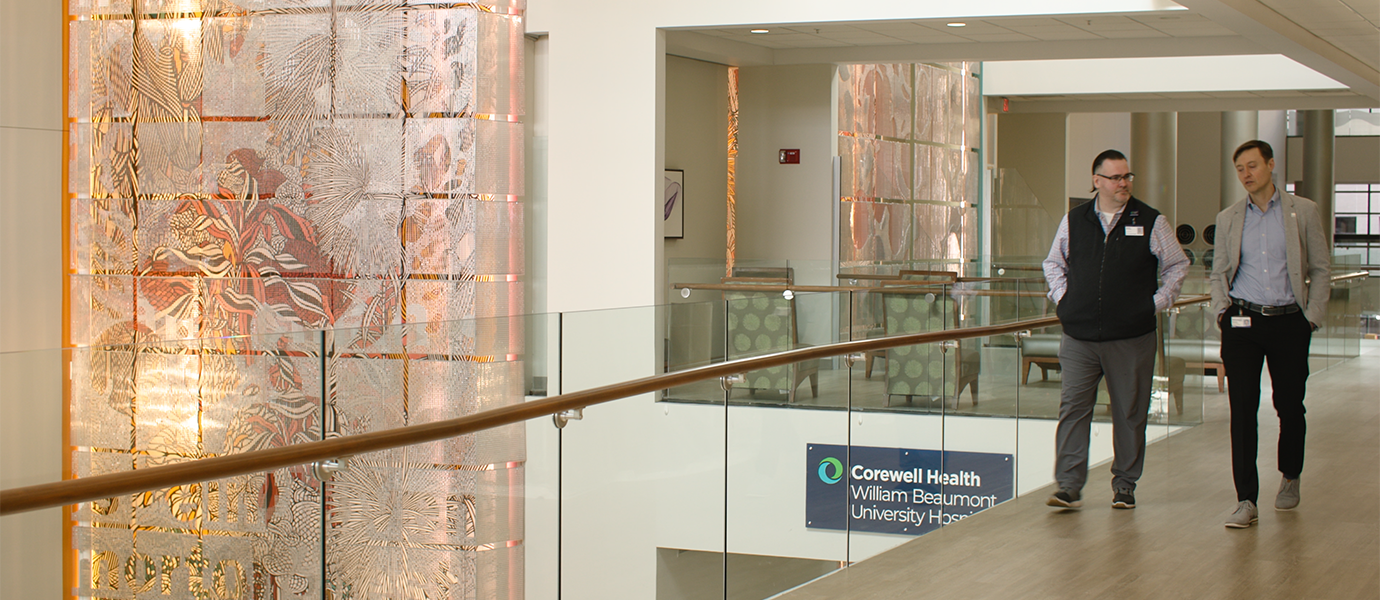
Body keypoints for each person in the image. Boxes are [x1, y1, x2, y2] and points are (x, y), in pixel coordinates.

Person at [1042, 149, 1189, 510]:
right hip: (1079, 337)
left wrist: (1154, 303)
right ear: (1097, 181)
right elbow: (1053, 263)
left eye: (1127, 176)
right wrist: (1064, 300)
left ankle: (1125, 484)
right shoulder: (1074, 220)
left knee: (1129, 412)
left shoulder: (1151, 221)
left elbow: (1177, 265)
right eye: (1116, 177)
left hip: (1131, 337)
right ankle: (1068, 485)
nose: (1124, 183)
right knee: (1073, 408)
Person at [1212, 140, 1330, 529]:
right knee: (1243, 410)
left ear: (1271, 165)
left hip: (1289, 322)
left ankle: (1290, 474)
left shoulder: (1304, 211)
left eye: (1252, 166)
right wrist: (1222, 313)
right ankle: (1246, 499)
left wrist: (1310, 318)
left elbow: (1321, 268)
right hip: (1242, 323)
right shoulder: (1229, 218)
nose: (1246, 174)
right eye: (1240, 169)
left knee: (1290, 406)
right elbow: (1219, 271)